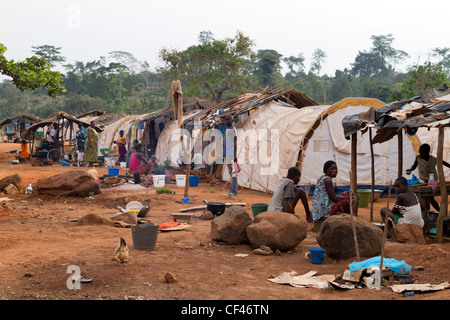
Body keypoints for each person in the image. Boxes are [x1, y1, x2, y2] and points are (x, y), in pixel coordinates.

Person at [406, 143, 450, 211]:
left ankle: (438, 211)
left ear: (427, 152)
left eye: (421, 152)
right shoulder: (418, 158)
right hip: (422, 180)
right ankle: (436, 211)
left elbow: (443, 162)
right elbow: (414, 166)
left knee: (430, 198)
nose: (420, 154)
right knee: (426, 198)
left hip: (432, 181)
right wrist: (411, 169)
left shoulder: (433, 159)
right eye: (419, 152)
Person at [223, 115, 238, 197]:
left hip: (231, 155)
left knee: (233, 173)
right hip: (227, 154)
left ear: (232, 121)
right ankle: (231, 191)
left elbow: (235, 143)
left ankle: (234, 192)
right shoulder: (228, 130)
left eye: (228, 119)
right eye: (225, 120)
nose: (226, 121)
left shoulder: (232, 129)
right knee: (231, 173)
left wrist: (235, 156)